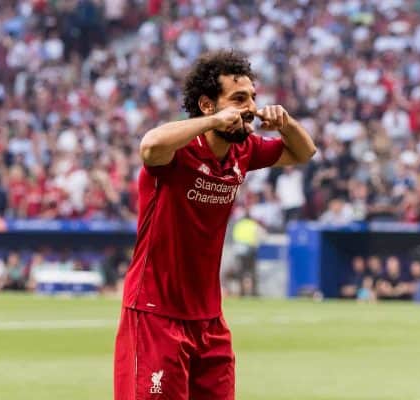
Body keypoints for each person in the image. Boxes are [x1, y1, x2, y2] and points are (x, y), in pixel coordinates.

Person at [114, 50, 316, 400]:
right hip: (155, 312)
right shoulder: (177, 150)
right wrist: (213, 123)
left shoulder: (244, 151)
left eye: (253, 96)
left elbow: (303, 152)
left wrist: (285, 123)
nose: (251, 106)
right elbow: (149, 146)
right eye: (239, 99)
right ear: (208, 106)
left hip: (209, 318)